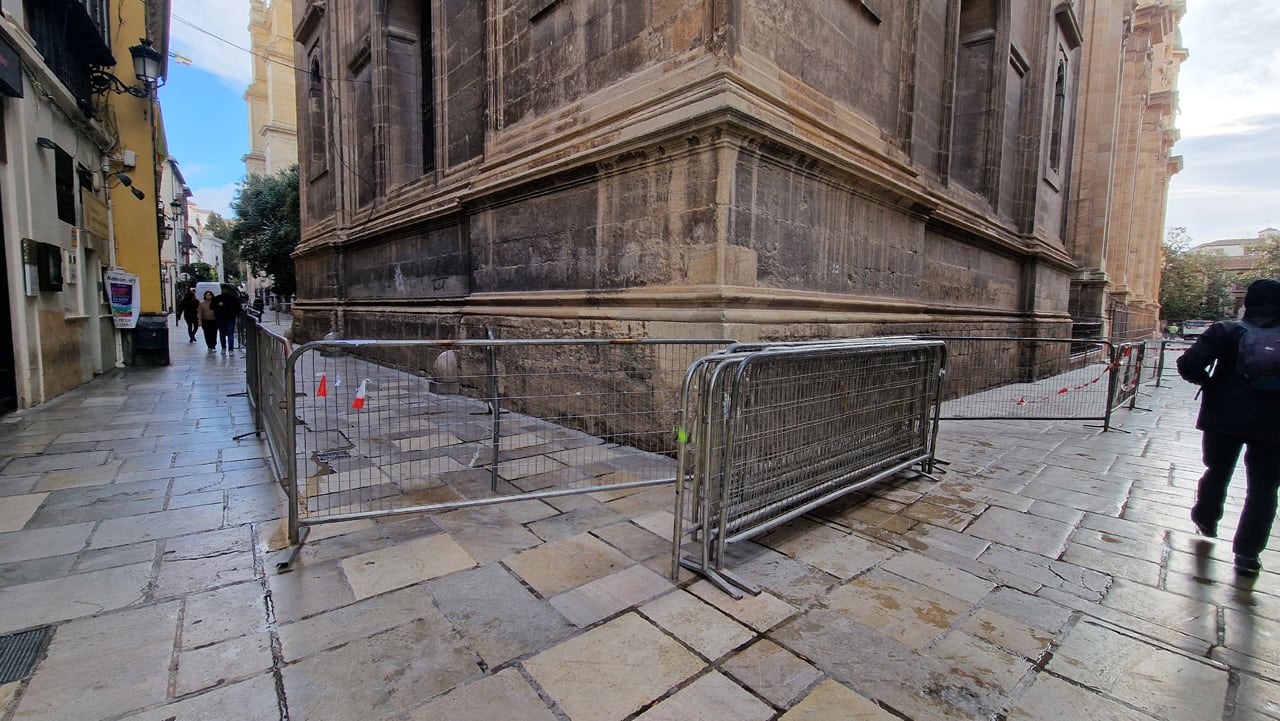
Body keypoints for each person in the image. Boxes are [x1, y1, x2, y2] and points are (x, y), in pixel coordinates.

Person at [1176, 278, 1280, 577]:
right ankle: (1248, 554)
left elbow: (1189, 364)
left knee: (1216, 470)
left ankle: (1207, 518)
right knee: (1265, 489)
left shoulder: (1227, 330)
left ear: (1249, 301)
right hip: (1274, 425)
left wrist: (1210, 384)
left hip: (1224, 416)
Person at [210, 285, 243, 354]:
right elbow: (212, 307)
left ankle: (230, 349)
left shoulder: (232, 299)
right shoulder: (218, 298)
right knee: (223, 334)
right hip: (221, 318)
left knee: (229, 334)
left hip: (229, 318)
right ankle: (224, 348)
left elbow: (238, 308)